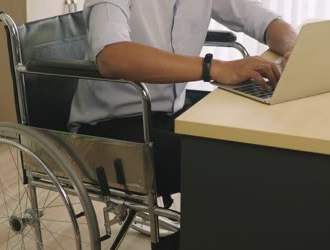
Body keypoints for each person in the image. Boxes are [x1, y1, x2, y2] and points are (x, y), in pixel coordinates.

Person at [68, 0, 297, 203]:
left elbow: (259, 17)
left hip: (171, 112)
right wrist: (213, 68)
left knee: (252, 130)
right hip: (109, 127)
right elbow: (112, 56)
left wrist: (292, 47)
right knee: (227, 157)